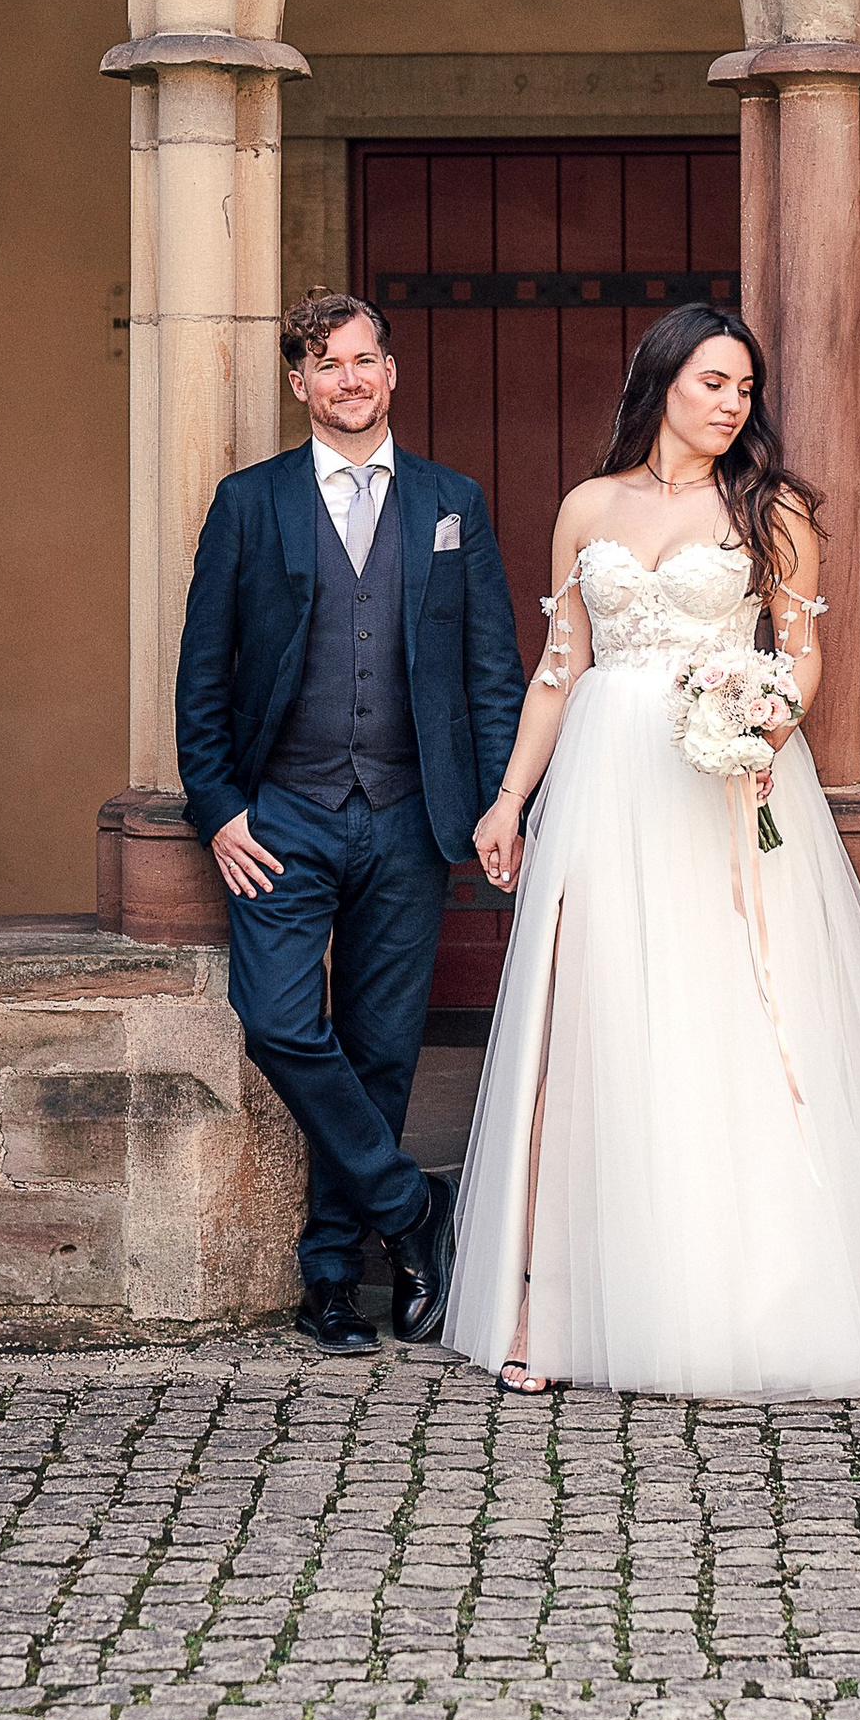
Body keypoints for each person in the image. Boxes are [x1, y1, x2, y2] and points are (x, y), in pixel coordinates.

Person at [444, 305, 860, 1401]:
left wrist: (762, 720)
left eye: (746, 388)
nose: (731, 403)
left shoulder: (773, 510)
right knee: (591, 1024)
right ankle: (553, 1307)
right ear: (660, 380)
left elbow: (801, 656)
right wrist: (510, 798)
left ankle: (749, 1297)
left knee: (730, 1016)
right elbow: (558, 669)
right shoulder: (587, 506)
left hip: (709, 780)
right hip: (600, 790)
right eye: (713, 381)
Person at [176, 292, 525, 1357]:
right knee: (279, 1019)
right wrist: (219, 805)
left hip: (412, 816)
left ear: (391, 371)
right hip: (282, 813)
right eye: (326, 364)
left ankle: (332, 1279)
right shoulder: (250, 503)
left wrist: (501, 801)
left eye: (364, 359)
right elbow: (202, 673)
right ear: (298, 384)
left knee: (380, 1050)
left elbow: (490, 668)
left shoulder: (449, 500)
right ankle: (411, 1207)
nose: (349, 378)